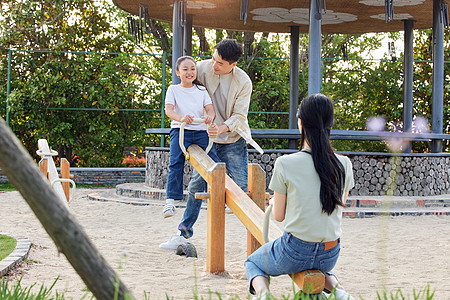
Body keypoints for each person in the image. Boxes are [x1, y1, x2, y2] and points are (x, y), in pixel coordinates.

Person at [244, 94, 355, 300]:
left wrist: (275, 201)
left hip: (296, 249)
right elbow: (337, 207)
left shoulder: (286, 163)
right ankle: (340, 292)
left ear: (300, 122)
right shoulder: (345, 164)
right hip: (330, 252)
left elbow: (278, 216)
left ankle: (263, 294)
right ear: (330, 123)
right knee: (319, 269)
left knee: (252, 262)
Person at [160, 39, 253, 249]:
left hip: (231, 138)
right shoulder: (201, 68)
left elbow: (239, 116)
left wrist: (220, 128)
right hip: (204, 138)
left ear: (233, 65)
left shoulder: (244, 82)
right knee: (195, 185)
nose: (214, 65)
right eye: (213, 59)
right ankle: (183, 234)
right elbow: (183, 83)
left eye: (219, 63)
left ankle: (259, 237)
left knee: (243, 189)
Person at [162, 55, 220, 218]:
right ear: (177, 72)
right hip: (181, 130)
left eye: (192, 69)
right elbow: (169, 110)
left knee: (213, 161)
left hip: (200, 131)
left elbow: (210, 109)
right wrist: (181, 118)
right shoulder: (173, 89)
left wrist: (210, 117)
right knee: (176, 163)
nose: (190, 72)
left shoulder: (201, 90)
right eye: (185, 69)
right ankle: (170, 201)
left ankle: (221, 193)